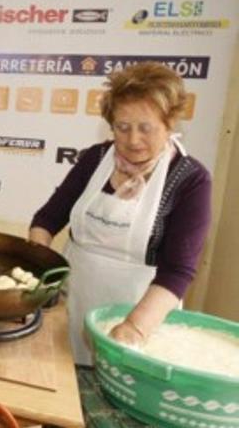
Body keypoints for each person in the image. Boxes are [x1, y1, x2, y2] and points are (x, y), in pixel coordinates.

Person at [29, 62, 212, 366]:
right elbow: (47, 220)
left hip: (140, 316)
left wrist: (133, 328)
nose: (133, 140)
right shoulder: (95, 159)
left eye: (146, 128)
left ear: (169, 124)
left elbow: (177, 273)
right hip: (71, 306)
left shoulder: (190, 180)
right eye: (122, 127)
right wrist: (34, 277)